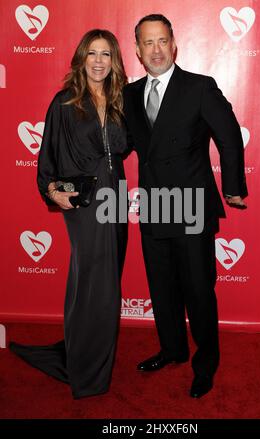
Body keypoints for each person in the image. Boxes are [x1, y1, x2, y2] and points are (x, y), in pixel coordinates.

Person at [123, 14, 248, 398]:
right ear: (139, 51)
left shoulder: (199, 87)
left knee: (198, 289)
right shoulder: (130, 94)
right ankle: (172, 348)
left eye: (162, 41)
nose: (156, 49)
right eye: (148, 43)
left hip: (192, 206)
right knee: (161, 288)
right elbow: (121, 144)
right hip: (155, 205)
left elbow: (228, 137)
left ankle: (205, 363)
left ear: (173, 44)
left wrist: (233, 187)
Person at [9, 29, 128, 399]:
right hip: (86, 201)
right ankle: (88, 369)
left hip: (117, 196)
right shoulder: (64, 102)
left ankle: (85, 350)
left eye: (106, 54)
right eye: (92, 53)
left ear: (114, 61)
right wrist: (51, 189)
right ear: (81, 58)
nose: (98, 61)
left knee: (105, 279)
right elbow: (47, 155)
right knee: (95, 280)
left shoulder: (122, 99)